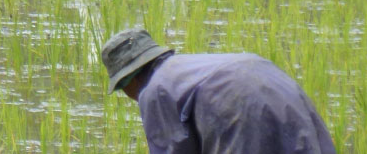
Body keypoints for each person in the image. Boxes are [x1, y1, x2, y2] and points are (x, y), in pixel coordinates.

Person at [101, 28, 336, 154]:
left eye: (122, 89)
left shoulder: (156, 89)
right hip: (282, 88)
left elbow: (174, 149)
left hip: (243, 113)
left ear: (128, 80)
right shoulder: (188, 69)